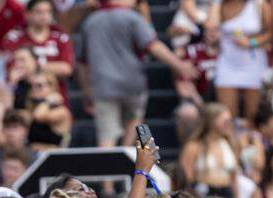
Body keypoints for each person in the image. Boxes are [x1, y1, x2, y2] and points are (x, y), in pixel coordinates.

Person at [76, 0, 197, 147]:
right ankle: (126, 157)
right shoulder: (132, 17)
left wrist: (86, 91)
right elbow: (153, 45)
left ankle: (108, 165)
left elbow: (82, 62)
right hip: (132, 83)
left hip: (103, 85)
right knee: (134, 123)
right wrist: (180, 66)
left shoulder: (90, 21)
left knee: (107, 134)